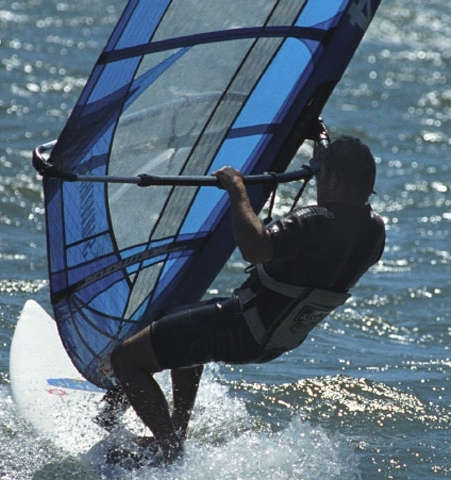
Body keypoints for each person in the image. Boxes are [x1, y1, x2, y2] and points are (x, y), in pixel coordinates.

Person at [105, 127, 386, 466]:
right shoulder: (374, 232)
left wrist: (237, 191)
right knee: (184, 319)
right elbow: (334, 215)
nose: (317, 180)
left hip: (241, 326)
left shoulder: (312, 222)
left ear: (337, 182)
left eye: (322, 175)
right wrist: (320, 143)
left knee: (126, 359)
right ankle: (175, 431)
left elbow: (256, 248)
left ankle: (168, 450)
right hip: (274, 339)